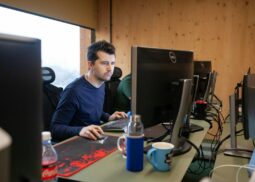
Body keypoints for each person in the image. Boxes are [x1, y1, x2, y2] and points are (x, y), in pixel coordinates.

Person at [51, 40, 127, 141]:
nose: (110, 69)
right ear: (90, 64)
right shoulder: (73, 91)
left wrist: (108, 117)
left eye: (112, 63)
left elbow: (91, 110)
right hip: (77, 143)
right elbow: (55, 128)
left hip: (95, 138)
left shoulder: (101, 84)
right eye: (104, 63)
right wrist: (80, 130)